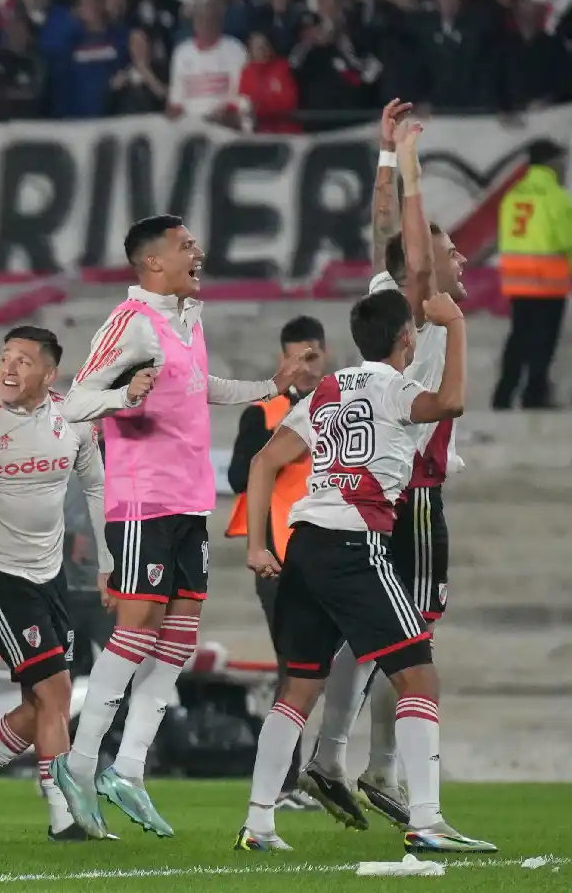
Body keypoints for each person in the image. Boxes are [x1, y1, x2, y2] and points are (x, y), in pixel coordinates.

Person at [51, 215, 309, 839]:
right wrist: (123, 398)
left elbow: (197, 386)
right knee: (137, 628)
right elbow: (76, 400)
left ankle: (129, 771)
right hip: (143, 501)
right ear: (152, 264)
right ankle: (81, 765)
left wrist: (269, 386)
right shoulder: (131, 320)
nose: (199, 251)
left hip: (191, 501)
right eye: (185, 244)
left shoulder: (186, 317)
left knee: (178, 641)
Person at [237, 287, 494, 855]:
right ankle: (426, 820)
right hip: (356, 545)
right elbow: (450, 402)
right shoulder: (392, 386)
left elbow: (262, 462)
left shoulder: (327, 389)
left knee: (298, 686)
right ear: (407, 338)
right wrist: (456, 328)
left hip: (302, 544)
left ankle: (258, 824)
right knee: (418, 674)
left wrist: (259, 545)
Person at [305, 116, 471, 831]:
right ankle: (381, 767)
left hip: (375, 495)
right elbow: (402, 236)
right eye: (443, 242)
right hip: (417, 493)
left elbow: (379, 235)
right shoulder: (427, 312)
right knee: (413, 636)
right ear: (420, 266)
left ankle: (338, 754)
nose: (456, 252)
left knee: (370, 634)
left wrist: (381, 153)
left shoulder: (384, 291)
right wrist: (410, 162)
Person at [0, 326, 111, 842]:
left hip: (51, 574)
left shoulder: (72, 419)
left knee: (43, 702)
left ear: (49, 374)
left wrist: (107, 562)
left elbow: (97, 485)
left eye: (23, 361)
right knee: (55, 689)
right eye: (5, 357)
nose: (9, 369)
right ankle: (63, 812)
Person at [225, 316, 327, 813]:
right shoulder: (263, 413)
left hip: (329, 553)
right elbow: (239, 476)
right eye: (296, 358)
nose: (304, 368)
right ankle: (284, 784)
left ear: (325, 356)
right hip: (278, 558)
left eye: (312, 357)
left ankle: (310, 774)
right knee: (295, 667)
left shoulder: (340, 405)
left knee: (321, 669)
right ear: (282, 359)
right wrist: (283, 449)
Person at [493, 139, 571, 410]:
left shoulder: (513, 194)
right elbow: (565, 241)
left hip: (517, 280)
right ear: (550, 163)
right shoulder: (557, 198)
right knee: (544, 341)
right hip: (548, 281)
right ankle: (534, 395)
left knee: (518, 337)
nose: (565, 167)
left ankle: (503, 394)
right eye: (561, 161)